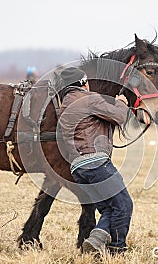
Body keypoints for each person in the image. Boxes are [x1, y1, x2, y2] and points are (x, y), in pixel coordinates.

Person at [59, 67, 133, 256]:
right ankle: (117, 250)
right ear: (83, 83)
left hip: (78, 169)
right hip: (96, 163)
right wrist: (121, 103)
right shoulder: (87, 98)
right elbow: (119, 116)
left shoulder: (65, 104)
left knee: (109, 209)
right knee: (124, 205)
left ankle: (95, 241)